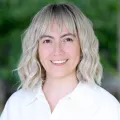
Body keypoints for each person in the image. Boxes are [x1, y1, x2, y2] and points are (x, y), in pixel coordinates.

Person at [0, 2, 120, 120]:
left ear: (82, 46)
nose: (57, 51)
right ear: (36, 48)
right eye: (47, 40)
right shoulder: (16, 105)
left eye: (67, 39)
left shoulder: (106, 106)